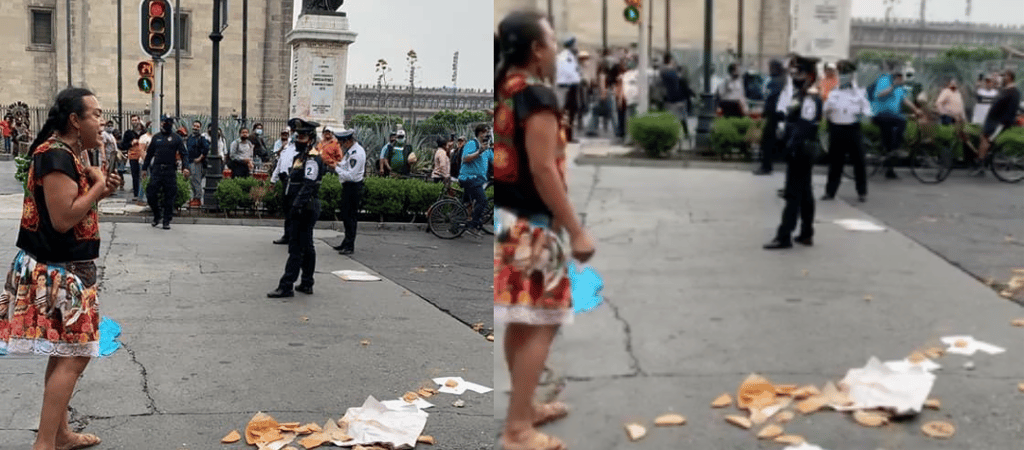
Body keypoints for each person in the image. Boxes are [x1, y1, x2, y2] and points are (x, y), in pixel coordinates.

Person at [494, 11, 597, 450]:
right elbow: (542, 168)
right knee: (543, 324)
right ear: (537, 50)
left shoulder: (508, 89)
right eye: (552, 41)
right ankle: (518, 429)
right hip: (534, 228)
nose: (557, 49)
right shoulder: (537, 96)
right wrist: (576, 230)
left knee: (524, 320)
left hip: (510, 223)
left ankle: (524, 408)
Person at [1, 87, 122, 450]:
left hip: (66, 268)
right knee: (78, 354)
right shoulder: (56, 156)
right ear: (75, 120)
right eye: (96, 114)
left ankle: (60, 434)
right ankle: (45, 444)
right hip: (61, 271)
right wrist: (98, 185)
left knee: (63, 353)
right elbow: (63, 218)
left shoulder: (69, 154)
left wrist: (99, 188)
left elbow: (73, 204)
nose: (102, 122)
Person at [764, 55, 823, 250]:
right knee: (805, 192)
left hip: (801, 149)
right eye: (795, 72)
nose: (796, 75)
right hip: (800, 147)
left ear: (810, 75)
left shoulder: (810, 96)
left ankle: (784, 236)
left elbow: (805, 125)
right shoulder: (802, 93)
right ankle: (806, 233)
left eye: (800, 72)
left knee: (792, 194)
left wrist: (791, 144)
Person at [268, 119, 324, 298]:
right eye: (298, 136)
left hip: (304, 208)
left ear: (311, 138)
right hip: (300, 206)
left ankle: (286, 286)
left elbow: (309, 184)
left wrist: (296, 205)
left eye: (303, 136)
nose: (299, 139)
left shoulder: (312, 157)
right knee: (306, 246)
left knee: (296, 247)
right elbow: (297, 180)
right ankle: (307, 282)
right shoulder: (301, 156)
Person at [822, 59, 872, 203]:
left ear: (852, 75)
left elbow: (867, 110)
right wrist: (828, 109)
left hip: (853, 129)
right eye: (841, 73)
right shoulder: (834, 92)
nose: (843, 76)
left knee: (859, 162)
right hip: (836, 128)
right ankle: (830, 192)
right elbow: (825, 110)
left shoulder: (860, 92)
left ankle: (862, 192)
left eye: (846, 73)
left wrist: (861, 115)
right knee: (835, 163)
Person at [870, 66, 924, 179]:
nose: (900, 78)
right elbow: (879, 94)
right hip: (880, 115)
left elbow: (905, 100)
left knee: (889, 147)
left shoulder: (900, 87)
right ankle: (896, 147)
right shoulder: (884, 80)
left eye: (901, 76)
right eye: (898, 76)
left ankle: (890, 171)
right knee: (901, 121)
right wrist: (893, 85)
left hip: (891, 117)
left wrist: (916, 110)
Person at [142, 116, 189, 229]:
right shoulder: (156, 137)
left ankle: (166, 220)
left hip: (170, 170)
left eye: (168, 123)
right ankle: (157, 215)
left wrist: (185, 168)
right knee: (151, 193)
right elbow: (149, 155)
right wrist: (144, 168)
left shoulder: (176, 138)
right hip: (157, 169)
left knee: (170, 196)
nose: (166, 124)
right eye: (164, 122)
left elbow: (184, 154)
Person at [976, 69, 1022, 175]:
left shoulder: (1013, 92)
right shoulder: (1007, 90)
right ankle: (983, 162)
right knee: (984, 139)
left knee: (985, 139)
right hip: (994, 121)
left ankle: (981, 165)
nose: (1002, 78)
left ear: (1009, 77)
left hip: (998, 122)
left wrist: (1003, 122)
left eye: (1004, 76)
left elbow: (1011, 109)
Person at [332, 129, 365, 255]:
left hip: (353, 187)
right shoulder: (350, 151)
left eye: (342, 142)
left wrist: (335, 168)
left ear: (349, 141)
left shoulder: (356, 153)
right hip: (348, 187)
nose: (341, 145)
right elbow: (345, 165)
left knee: (350, 217)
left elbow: (350, 175)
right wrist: (336, 164)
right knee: (345, 216)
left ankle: (350, 245)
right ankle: (346, 242)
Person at [753, 59, 789, 175]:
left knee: (767, 141)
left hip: (773, 114)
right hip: (777, 114)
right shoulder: (782, 79)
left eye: (770, 67)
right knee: (772, 140)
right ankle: (768, 165)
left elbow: (768, 96)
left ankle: (766, 166)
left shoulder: (776, 81)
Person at [459, 124, 493, 236]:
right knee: (482, 201)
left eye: (489, 133)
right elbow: (465, 158)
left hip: (477, 180)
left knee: (467, 204)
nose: (488, 135)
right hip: (469, 179)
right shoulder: (471, 144)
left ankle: (456, 227)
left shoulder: (487, 149)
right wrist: (479, 152)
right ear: (480, 133)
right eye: (486, 132)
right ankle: (473, 226)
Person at [271, 125, 298, 245]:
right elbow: (279, 165)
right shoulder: (286, 149)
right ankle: (287, 235)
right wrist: (273, 180)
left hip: (294, 182)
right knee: (287, 209)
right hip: (284, 181)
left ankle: (294, 236)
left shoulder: (300, 151)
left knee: (294, 210)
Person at [555, 36, 582, 142]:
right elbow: (570, 73)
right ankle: (566, 136)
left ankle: (569, 136)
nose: (576, 46)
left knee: (571, 113)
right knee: (567, 113)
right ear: (571, 45)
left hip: (570, 87)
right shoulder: (565, 57)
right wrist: (579, 79)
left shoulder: (570, 56)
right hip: (567, 87)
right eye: (575, 44)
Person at [660, 54, 690, 142]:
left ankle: (673, 134)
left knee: (672, 117)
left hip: (669, 99)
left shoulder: (663, 72)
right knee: (682, 118)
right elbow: (684, 86)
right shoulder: (673, 73)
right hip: (678, 99)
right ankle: (685, 133)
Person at [119, 115, 145, 200]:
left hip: (143, 156)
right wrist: (131, 143)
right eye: (132, 120)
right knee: (135, 175)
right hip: (133, 156)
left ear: (139, 120)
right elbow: (123, 145)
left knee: (144, 175)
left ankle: (143, 193)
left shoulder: (144, 132)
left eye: (135, 120)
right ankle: (136, 193)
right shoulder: (128, 133)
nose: (134, 122)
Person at [185, 121, 210, 207]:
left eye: (197, 126)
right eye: (194, 126)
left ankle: (198, 198)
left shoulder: (201, 138)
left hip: (197, 163)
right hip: (190, 162)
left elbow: (206, 149)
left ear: (200, 128)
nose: (195, 128)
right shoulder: (190, 138)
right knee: (191, 181)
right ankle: (194, 197)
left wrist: (200, 158)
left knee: (196, 181)